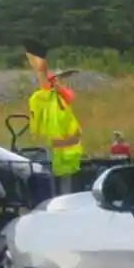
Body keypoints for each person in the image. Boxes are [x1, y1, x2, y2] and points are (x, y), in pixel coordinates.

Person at [22, 42, 84, 191]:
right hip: (58, 148)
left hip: (66, 149)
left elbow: (68, 95)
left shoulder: (60, 97)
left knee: (62, 179)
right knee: (56, 179)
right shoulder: (45, 97)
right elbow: (41, 72)